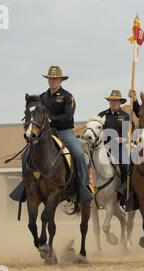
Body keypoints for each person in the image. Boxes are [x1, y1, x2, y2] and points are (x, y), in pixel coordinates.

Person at [16, 65, 93, 204]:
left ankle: (83, 185)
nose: (52, 81)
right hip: (46, 133)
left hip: (65, 132)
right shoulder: (42, 98)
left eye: (55, 79)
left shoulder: (68, 97)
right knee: (24, 155)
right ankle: (25, 184)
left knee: (78, 153)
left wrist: (53, 119)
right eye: (50, 79)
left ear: (61, 80)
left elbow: (69, 115)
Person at [97, 90, 133, 202]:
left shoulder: (126, 116)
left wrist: (123, 139)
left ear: (120, 102)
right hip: (104, 147)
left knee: (125, 164)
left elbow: (131, 135)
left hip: (119, 146)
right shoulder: (102, 115)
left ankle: (124, 189)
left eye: (116, 100)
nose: (113, 103)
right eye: (111, 100)